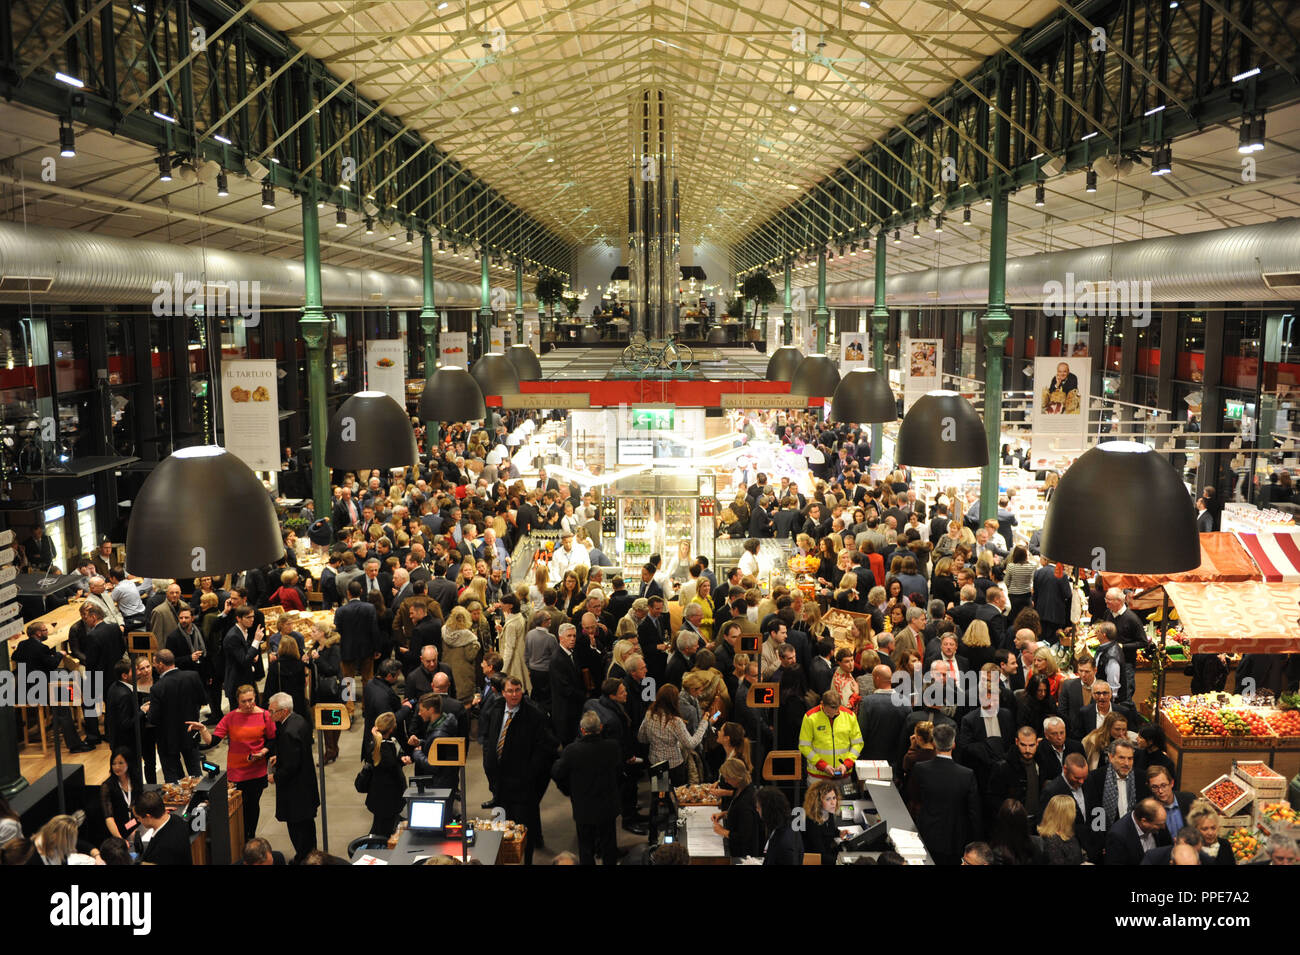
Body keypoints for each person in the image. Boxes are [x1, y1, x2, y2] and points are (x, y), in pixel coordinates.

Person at [481, 676, 558, 863]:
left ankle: (528, 860)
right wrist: (488, 764)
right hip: (499, 783)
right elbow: (489, 739)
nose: (514, 695)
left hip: (523, 785)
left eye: (518, 690)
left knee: (524, 829)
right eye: (510, 691)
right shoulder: (496, 709)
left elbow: (545, 748)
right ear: (503, 692)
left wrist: (530, 774)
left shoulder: (534, 715)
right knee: (501, 828)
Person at [188, 684, 275, 844]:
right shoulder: (231, 717)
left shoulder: (265, 715)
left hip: (257, 770)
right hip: (237, 772)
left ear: (255, 697)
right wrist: (203, 729)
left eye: (251, 700)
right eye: (244, 701)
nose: (248, 704)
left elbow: (272, 739)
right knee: (240, 806)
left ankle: (250, 836)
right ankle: (242, 837)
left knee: (253, 805)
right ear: (237, 701)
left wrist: (263, 752)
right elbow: (212, 741)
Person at [551, 710, 622, 865]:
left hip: (584, 807)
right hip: (607, 806)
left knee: (586, 847)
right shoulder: (612, 747)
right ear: (601, 727)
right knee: (609, 845)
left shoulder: (572, 751)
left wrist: (568, 789)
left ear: (582, 730)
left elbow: (557, 772)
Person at [10, 621, 92, 752]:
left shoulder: (22, 644)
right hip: (41, 690)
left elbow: (15, 656)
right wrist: (60, 654)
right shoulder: (41, 648)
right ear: (38, 633)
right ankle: (74, 744)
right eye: (44, 630)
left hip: (26, 690)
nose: (47, 632)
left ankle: (59, 722)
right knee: (64, 707)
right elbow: (52, 664)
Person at [911, 722, 981, 865]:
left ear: (934, 744)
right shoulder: (967, 774)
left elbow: (914, 798)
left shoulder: (920, 769)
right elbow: (974, 812)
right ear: (953, 743)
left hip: (927, 836)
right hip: (954, 839)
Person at [266, 691, 319, 863]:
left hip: (296, 791)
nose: (269, 714)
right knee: (308, 827)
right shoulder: (299, 720)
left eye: (272, 711)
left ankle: (303, 858)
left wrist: (276, 777)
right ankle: (310, 855)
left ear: (284, 711)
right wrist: (280, 757)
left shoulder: (288, 731)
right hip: (306, 785)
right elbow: (297, 753)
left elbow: (291, 766)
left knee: (298, 829)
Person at [149, 649, 205, 781]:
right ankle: (201, 799)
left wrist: (147, 710)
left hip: (168, 738)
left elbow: (154, 718)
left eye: (154, 664)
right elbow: (203, 700)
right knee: (196, 772)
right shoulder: (193, 676)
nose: (154, 666)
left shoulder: (157, 687)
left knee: (173, 778)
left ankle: (178, 802)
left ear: (161, 664)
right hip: (190, 732)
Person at [638, 684, 708, 787]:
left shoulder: (649, 714)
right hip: (674, 766)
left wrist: (655, 739)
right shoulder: (676, 722)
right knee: (676, 796)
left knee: (660, 797)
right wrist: (704, 723)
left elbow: (641, 737)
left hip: (655, 763)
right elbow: (690, 744)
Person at [362, 711, 410, 838]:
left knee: (379, 827)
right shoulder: (387, 748)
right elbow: (392, 766)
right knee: (382, 833)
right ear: (393, 728)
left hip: (377, 796)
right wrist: (401, 761)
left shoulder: (374, 744)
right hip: (390, 799)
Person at [797, 690, 863, 781]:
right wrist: (822, 765)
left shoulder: (849, 716)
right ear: (822, 704)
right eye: (828, 713)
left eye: (835, 713)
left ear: (839, 706)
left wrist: (847, 764)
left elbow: (858, 744)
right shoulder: (810, 717)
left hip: (843, 775)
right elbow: (804, 746)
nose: (831, 716)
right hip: (818, 776)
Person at [711, 758, 762, 860]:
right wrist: (725, 813)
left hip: (743, 855)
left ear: (736, 778)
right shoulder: (743, 788)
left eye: (728, 778)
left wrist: (722, 831)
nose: (726, 781)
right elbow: (737, 809)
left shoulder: (746, 803)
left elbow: (744, 836)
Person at [131, 790, 192, 866]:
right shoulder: (177, 819)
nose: (138, 820)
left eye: (138, 818)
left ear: (148, 816)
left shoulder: (159, 851)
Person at [1104, 797, 1170, 865]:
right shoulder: (1117, 836)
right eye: (1159, 825)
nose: (1163, 827)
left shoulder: (1159, 821)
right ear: (1144, 821)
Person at [99, 748, 141, 843]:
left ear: (129, 763)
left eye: (121, 763)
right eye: (114, 764)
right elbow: (108, 817)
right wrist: (120, 839)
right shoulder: (107, 787)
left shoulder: (135, 780)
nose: (117, 767)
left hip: (133, 825)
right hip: (116, 832)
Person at [802, 781, 844, 865]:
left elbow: (828, 830)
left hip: (827, 855)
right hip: (816, 861)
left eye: (834, 798)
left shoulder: (828, 813)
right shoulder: (812, 823)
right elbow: (821, 856)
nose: (833, 803)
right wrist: (841, 861)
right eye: (828, 799)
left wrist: (839, 833)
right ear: (818, 802)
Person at [1038, 794, 1085, 865]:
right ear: (1065, 815)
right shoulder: (1052, 841)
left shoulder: (1069, 834)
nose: (1075, 812)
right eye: (1073, 810)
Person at [1186, 798, 1235, 866]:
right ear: (1195, 830)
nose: (1210, 833)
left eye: (1213, 828)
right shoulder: (1189, 850)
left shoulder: (1224, 845)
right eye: (1205, 829)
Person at [759, 787, 800, 864]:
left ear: (767, 810)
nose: (757, 810)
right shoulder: (781, 828)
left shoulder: (784, 841)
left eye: (758, 807)